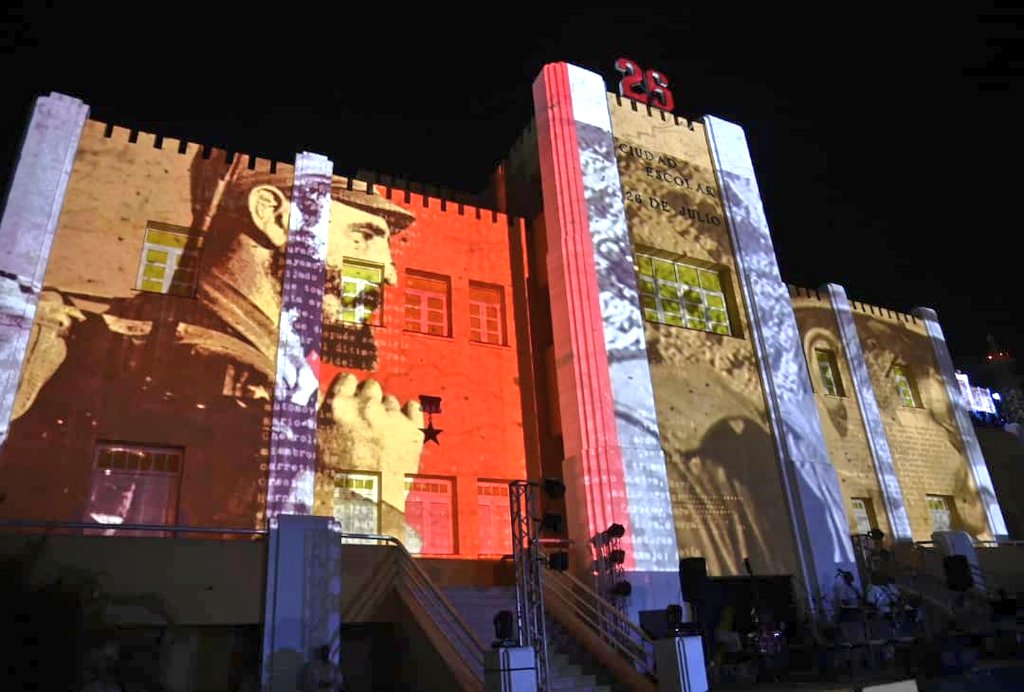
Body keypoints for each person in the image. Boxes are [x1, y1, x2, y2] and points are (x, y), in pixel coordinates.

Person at [0, 146, 424, 533]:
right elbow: (287, 584)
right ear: (274, 217)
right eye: (363, 236)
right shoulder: (76, 349)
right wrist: (365, 487)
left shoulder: (271, 378)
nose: (389, 272)